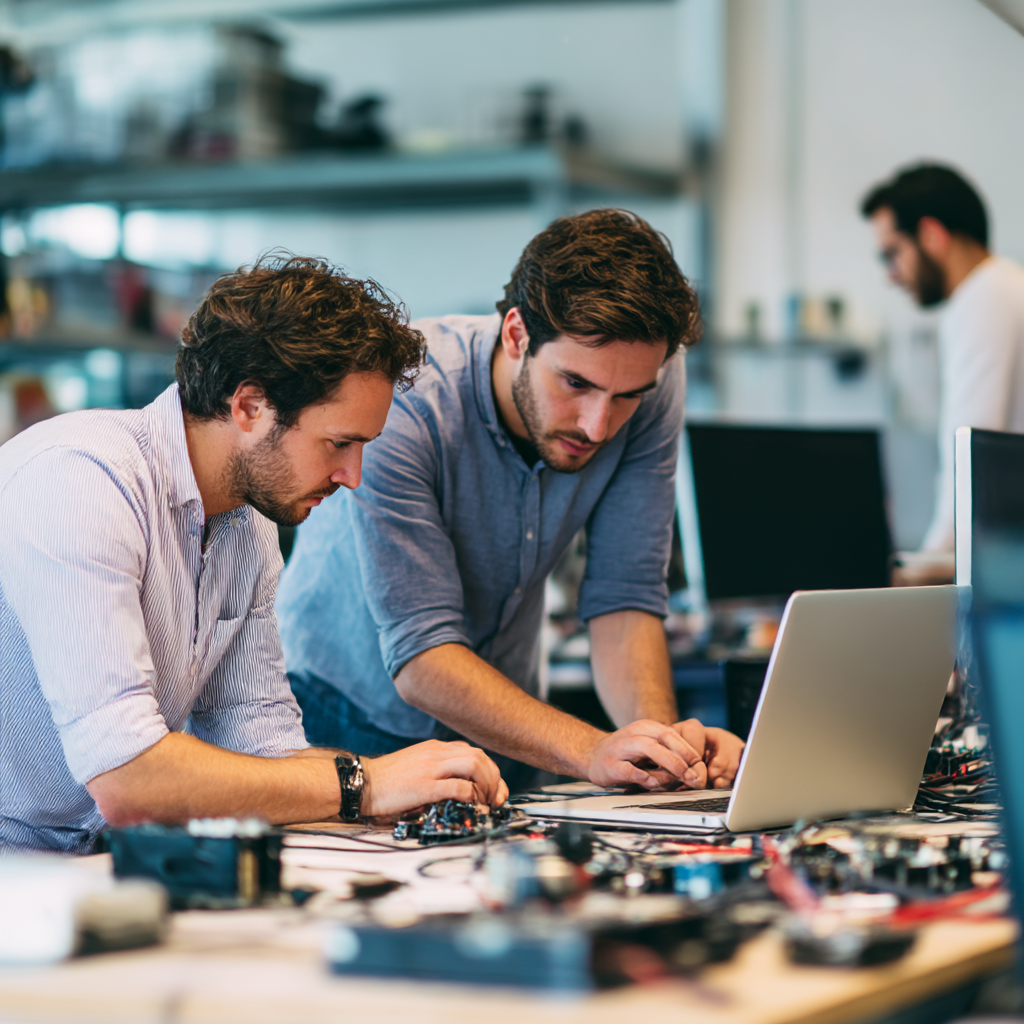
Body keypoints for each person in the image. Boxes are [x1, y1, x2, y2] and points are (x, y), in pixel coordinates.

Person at [0, 254, 506, 854]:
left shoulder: (247, 522)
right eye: (338, 443)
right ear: (248, 407)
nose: (353, 477)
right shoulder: (82, 480)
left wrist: (409, 786)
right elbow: (128, 776)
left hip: (94, 856)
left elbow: (263, 746)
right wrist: (365, 783)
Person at [277, 210, 746, 793]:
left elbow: (625, 595)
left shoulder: (648, 376)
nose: (599, 426)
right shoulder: (407, 399)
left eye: (625, 397)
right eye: (575, 384)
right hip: (345, 710)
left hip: (507, 715)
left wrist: (663, 751)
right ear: (517, 335)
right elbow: (423, 657)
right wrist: (593, 749)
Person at [862, 164, 1024, 561]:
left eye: (892, 253)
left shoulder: (984, 297)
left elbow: (970, 458)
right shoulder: (1007, 287)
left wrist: (925, 569)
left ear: (932, 235)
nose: (891, 276)